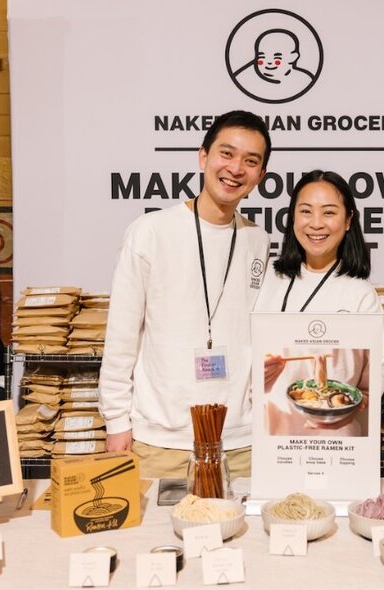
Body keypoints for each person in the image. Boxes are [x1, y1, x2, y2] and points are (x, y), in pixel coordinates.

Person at [99, 110, 272, 478]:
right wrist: (116, 422)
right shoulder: (150, 232)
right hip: (160, 442)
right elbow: (121, 337)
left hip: (240, 443)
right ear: (203, 156)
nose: (235, 168)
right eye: (226, 153)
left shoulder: (258, 241)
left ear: (260, 176)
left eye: (250, 161)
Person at [254, 170, 384, 436]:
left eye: (329, 212)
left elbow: (371, 386)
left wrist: (353, 408)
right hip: (266, 440)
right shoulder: (267, 278)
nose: (316, 224)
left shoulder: (360, 295)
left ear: (348, 220)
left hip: (333, 440)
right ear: (293, 217)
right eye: (306, 211)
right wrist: (255, 375)